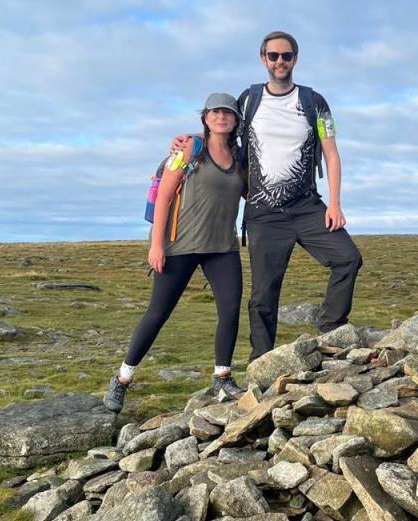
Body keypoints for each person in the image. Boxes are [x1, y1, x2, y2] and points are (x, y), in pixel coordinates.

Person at [173, 30, 362, 362]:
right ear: (263, 59)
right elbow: (222, 130)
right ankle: (261, 361)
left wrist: (334, 204)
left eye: (285, 56)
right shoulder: (249, 100)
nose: (279, 62)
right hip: (263, 213)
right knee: (264, 294)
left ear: (295, 60)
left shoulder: (315, 103)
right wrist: (189, 141)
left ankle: (332, 331)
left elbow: (331, 153)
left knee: (348, 258)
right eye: (273, 56)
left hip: (307, 206)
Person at [104, 92, 246, 413]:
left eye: (228, 113)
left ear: (236, 120)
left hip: (222, 247)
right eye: (215, 112)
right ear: (205, 118)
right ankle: (123, 379)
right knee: (158, 313)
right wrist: (156, 245)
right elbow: (166, 196)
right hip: (179, 245)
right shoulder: (189, 150)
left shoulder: (240, 158)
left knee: (230, 308)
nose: (221, 117)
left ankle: (222, 378)